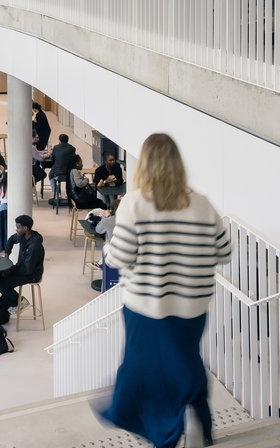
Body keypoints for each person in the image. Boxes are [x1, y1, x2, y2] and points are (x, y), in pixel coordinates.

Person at [100, 133, 231, 448]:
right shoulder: (202, 203)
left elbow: (120, 257)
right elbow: (224, 252)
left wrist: (108, 250)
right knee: (185, 361)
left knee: (147, 375)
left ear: (144, 163)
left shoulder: (134, 203)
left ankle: (167, 436)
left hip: (146, 307)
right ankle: (200, 421)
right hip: (192, 308)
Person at [0, 214, 44, 315]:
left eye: (18, 227)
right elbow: (11, 240)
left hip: (32, 275)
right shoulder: (22, 236)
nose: (16, 230)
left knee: (4, 282)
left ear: (25, 228)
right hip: (22, 268)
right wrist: (7, 256)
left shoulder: (34, 246)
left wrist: (10, 270)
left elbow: (28, 270)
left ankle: (19, 302)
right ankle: (18, 301)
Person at [49, 133, 76, 198]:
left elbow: (52, 159)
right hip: (69, 173)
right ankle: (68, 193)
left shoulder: (56, 147)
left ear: (59, 141)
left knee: (50, 175)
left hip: (57, 173)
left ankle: (56, 194)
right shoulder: (72, 148)